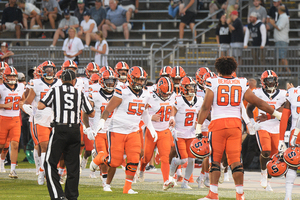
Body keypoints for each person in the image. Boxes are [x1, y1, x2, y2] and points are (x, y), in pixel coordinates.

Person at [196, 56, 281, 200]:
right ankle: (240, 194)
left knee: (215, 160)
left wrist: (199, 126)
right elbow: (257, 102)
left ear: (218, 69)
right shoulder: (241, 82)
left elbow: (205, 107)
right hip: (235, 125)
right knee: (236, 161)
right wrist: (276, 113)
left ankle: (213, 194)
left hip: (218, 125)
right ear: (234, 69)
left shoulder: (213, 82)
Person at [90, 66, 158, 194]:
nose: (140, 83)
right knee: (114, 162)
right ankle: (99, 159)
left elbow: (145, 114)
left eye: (142, 80)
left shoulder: (146, 94)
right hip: (117, 130)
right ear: (131, 79)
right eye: (137, 80)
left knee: (134, 158)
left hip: (133, 130)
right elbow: (108, 109)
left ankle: (127, 188)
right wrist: (101, 122)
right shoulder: (122, 90)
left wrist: (152, 128)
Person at [38, 69, 94, 200]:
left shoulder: (55, 90)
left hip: (60, 129)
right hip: (75, 131)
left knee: (49, 163)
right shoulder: (79, 93)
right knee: (73, 167)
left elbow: (40, 106)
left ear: (61, 80)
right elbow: (91, 113)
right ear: (74, 81)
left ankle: (58, 195)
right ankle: (72, 196)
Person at [22, 61, 62, 185]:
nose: (49, 72)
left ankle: (53, 172)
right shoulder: (36, 83)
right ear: (43, 71)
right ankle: (42, 171)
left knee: (56, 147)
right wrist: (26, 107)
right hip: (40, 118)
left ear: (55, 71)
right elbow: (27, 101)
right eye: (47, 69)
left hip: (56, 118)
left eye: (51, 69)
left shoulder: (59, 83)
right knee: (43, 146)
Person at [247, 70, 286, 191]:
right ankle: (263, 172)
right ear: (263, 82)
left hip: (276, 127)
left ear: (276, 81)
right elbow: (249, 109)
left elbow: (283, 110)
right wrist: (253, 123)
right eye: (268, 81)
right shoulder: (257, 93)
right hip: (262, 126)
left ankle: (268, 181)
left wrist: (269, 116)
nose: (271, 83)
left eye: (272, 80)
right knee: (266, 151)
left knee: (274, 156)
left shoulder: (283, 94)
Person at [139, 76, 175, 190]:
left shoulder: (172, 95)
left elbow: (172, 107)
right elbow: (139, 111)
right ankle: (142, 168)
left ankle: (166, 181)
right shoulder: (149, 96)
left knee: (165, 157)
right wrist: (150, 117)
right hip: (151, 130)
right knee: (147, 157)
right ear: (158, 89)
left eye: (168, 93)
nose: (166, 95)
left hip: (164, 130)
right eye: (164, 93)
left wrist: (172, 117)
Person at [169, 76, 203, 189]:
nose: (192, 89)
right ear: (184, 88)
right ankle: (174, 164)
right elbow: (172, 114)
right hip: (179, 133)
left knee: (191, 160)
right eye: (189, 86)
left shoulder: (199, 100)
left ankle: (185, 182)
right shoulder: (178, 100)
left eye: (193, 86)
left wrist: (198, 123)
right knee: (183, 159)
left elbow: (200, 115)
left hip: (191, 134)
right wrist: (172, 119)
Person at [0, 66, 25, 178]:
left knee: (15, 144)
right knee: (1, 144)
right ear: (5, 76)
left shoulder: (20, 86)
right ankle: (1, 162)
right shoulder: (1, 88)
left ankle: (13, 170)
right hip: (3, 119)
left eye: (13, 76)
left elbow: (23, 99)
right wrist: (4, 105)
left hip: (15, 119)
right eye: (9, 75)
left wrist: (22, 104)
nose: (11, 77)